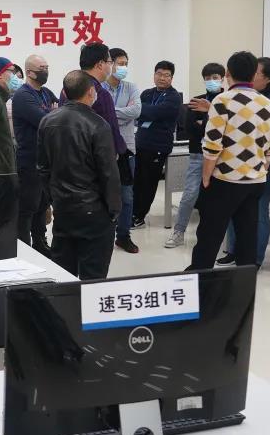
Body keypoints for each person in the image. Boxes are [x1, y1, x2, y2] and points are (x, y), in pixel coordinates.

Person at [189, 51, 270, 270]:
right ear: (253, 74)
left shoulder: (222, 101)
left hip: (225, 179)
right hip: (255, 181)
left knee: (209, 235)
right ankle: (244, 281)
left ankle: (201, 278)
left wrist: (206, 176)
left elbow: (213, 144)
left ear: (228, 73)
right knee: (247, 235)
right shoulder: (268, 104)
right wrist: (259, 169)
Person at [38, 70, 121, 280]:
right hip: (94, 210)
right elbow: (108, 173)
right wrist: (114, 209)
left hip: (63, 208)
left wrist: (53, 198)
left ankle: (67, 303)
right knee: (93, 275)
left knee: (64, 272)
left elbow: (43, 168)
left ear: (65, 93)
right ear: (91, 92)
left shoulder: (47, 121)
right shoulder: (98, 124)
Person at [216, 55, 270, 266]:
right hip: (235, 165)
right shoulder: (240, 97)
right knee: (233, 210)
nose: (251, 75)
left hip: (261, 166)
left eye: (256, 72)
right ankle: (233, 251)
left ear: (268, 78)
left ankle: (255, 259)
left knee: (258, 213)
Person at [165, 62, 226, 248]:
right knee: (190, 194)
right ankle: (178, 232)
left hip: (223, 156)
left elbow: (228, 129)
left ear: (222, 79)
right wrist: (210, 121)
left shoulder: (227, 101)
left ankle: (220, 238)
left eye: (215, 77)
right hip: (198, 154)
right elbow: (190, 129)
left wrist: (208, 115)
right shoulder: (196, 101)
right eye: (208, 78)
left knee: (220, 199)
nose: (211, 81)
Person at [12, 54, 57, 255]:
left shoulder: (46, 92)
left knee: (42, 205)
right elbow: (45, 120)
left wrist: (52, 114)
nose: (45, 71)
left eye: (46, 67)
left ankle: (40, 243)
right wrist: (52, 113)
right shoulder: (22, 95)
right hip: (29, 161)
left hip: (46, 161)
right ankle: (24, 249)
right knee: (27, 208)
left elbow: (60, 114)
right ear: (29, 72)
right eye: (42, 68)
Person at [131, 61, 181, 228]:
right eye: (159, 74)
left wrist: (145, 111)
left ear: (171, 78)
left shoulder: (174, 97)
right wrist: (147, 112)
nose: (162, 78)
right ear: (154, 75)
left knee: (148, 183)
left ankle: (139, 217)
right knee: (137, 181)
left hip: (157, 146)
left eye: (166, 75)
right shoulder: (147, 93)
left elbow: (154, 112)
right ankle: (132, 213)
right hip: (140, 143)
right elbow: (137, 113)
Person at [102, 48, 141, 254]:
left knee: (127, 196)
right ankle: (104, 235)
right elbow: (97, 113)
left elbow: (136, 111)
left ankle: (123, 236)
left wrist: (110, 113)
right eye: (119, 63)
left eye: (126, 63)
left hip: (127, 148)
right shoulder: (99, 88)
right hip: (103, 149)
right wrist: (122, 114)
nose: (123, 67)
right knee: (102, 195)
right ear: (109, 64)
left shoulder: (131, 87)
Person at [6, 64, 24, 137]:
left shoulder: (25, 96)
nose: (20, 81)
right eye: (17, 78)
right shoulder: (1, 97)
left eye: (21, 77)